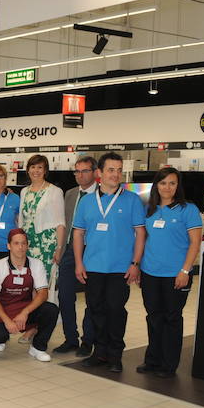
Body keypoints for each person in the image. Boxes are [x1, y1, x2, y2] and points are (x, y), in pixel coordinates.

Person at [73, 152, 146, 373]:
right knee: (95, 310)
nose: (116, 174)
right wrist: (79, 263)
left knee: (115, 310)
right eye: (111, 170)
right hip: (93, 266)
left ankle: (115, 354)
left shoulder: (132, 200)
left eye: (119, 170)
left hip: (120, 268)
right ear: (100, 173)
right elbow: (78, 233)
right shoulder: (86, 201)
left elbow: (140, 233)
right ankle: (100, 352)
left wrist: (135, 263)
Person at [138, 167, 202, 378]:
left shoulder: (188, 210)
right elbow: (143, 239)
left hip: (176, 274)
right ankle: (152, 360)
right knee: (153, 317)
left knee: (172, 318)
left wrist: (185, 270)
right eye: (163, 183)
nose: (167, 187)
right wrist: (138, 266)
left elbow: (195, 243)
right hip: (150, 273)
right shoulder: (149, 209)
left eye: (172, 183)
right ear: (156, 185)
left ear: (178, 186)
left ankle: (168, 364)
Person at [0, 229, 59, 362]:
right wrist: (7, 321)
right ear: (9, 246)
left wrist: (25, 312)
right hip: (3, 311)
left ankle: (38, 348)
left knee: (51, 309)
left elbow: (43, 294)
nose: (20, 247)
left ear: (27, 245)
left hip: (25, 309)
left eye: (23, 243)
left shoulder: (36, 264)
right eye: (16, 243)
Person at [54, 156, 98, 356]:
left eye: (85, 171)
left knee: (92, 298)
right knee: (64, 295)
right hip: (69, 250)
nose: (80, 175)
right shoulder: (70, 194)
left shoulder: (101, 194)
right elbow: (64, 222)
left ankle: (88, 341)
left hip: (92, 251)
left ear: (95, 172)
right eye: (77, 171)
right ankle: (70, 338)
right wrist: (60, 248)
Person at [19, 154, 65, 285]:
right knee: (28, 281)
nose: (36, 171)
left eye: (40, 167)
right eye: (33, 167)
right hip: (27, 243)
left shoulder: (55, 191)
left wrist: (59, 249)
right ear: (28, 170)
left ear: (45, 171)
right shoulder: (24, 191)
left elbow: (60, 223)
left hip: (46, 245)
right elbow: (22, 220)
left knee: (43, 282)